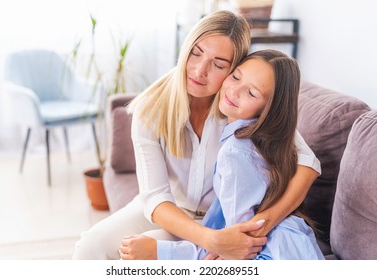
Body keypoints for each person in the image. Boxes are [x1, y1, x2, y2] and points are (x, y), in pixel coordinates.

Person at [73, 10, 321, 260]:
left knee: (143, 258)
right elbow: (156, 199)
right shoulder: (151, 107)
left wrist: (262, 224)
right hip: (171, 211)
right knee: (89, 248)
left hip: (222, 219)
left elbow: (308, 163)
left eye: (219, 64)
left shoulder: (239, 106)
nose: (199, 71)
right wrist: (214, 241)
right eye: (196, 53)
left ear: (235, 67)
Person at [119, 50, 324, 260]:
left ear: (270, 109)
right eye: (235, 77)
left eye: (251, 93)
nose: (235, 91)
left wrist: (159, 252)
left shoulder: (237, 151)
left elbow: (241, 245)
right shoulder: (251, 138)